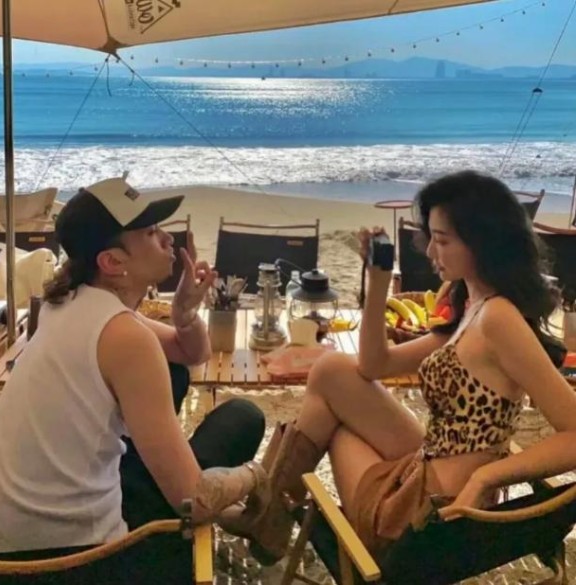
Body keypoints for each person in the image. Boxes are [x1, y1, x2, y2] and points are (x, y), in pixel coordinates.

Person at [221, 170, 576, 565]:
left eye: (443, 241)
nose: (431, 252)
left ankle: (265, 517)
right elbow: (375, 365)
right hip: (430, 470)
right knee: (333, 371)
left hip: (423, 519)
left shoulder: (498, 319)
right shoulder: (474, 307)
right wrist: (377, 283)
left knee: (334, 420)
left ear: (482, 242)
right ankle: (266, 515)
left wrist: (488, 476)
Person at [0, 178, 267, 578]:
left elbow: (191, 353)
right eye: (150, 233)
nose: (168, 239)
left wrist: (184, 314)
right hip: (66, 563)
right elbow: (192, 500)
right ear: (112, 262)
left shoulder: (70, 301)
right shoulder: (124, 337)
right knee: (242, 420)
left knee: (182, 381)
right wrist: (256, 475)